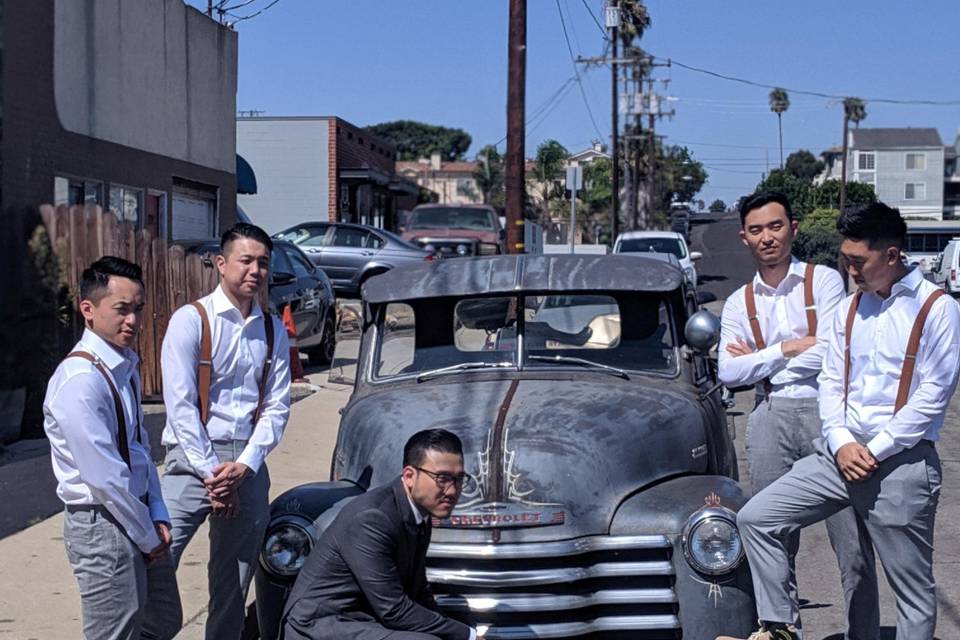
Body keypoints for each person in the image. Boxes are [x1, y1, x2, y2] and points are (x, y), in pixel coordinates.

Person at [718, 202, 960, 640]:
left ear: (891, 255)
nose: (850, 270)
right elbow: (831, 381)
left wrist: (875, 448)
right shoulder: (850, 309)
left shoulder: (936, 308)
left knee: (911, 591)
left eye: (858, 261)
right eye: (845, 259)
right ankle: (780, 630)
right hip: (839, 454)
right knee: (756, 517)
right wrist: (842, 440)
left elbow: (932, 395)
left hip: (901, 462)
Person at [717, 193, 878, 639]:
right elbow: (729, 371)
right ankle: (783, 631)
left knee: (852, 541)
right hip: (769, 413)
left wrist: (760, 356)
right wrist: (789, 347)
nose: (767, 237)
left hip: (830, 414)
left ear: (793, 228)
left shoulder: (823, 282)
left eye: (775, 226)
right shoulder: (738, 302)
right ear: (744, 238)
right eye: (756, 230)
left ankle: (862, 633)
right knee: (770, 535)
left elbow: (832, 352)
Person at [145, 223, 291, 640]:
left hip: (246, 463)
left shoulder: (271, 329)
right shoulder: (190, 321)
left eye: (263, 262)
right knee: (154, 556)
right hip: (190, 463)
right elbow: (181, 406)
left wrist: (244, 466)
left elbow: (277, 406)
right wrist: (213, 475)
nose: (255, 270)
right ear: (221, 264)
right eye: (246, 260)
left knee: (233, 582)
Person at [44, 256, 181, 640]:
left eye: (138, 310)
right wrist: (149, 537)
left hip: (136, 512)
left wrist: (156, 510)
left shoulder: (122, 366)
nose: (133, 321)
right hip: (102, 521)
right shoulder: (80, 381)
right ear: (88, 310)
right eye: (122, 310)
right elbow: (105, 477)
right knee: (114, 633)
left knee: (163, 620)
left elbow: (138, 448)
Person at [283, 429, 482, 640]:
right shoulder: (372, 519)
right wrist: (467, 636)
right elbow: (394, 610)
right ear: (409, 476)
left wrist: (459, 630)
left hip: (362, 618)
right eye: (442, 479)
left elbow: (418, 592)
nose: (452, 491)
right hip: (321, 625)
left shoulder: (420, 513)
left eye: (459, 479)